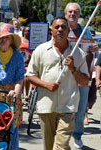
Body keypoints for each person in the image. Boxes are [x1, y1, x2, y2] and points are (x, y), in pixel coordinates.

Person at [26, 16, 89, 150]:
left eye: (63, 27)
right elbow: (30, 75)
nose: (60, 30)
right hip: (46, 105)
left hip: (68, 106)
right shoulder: (41, 50)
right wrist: (46, 85)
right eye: (57, 27)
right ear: (52, 31)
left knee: (61, 146)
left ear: (68, 31)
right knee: (49, 147)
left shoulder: (77, 53)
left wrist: (73, 69)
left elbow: (85, 81)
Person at [65, 3, 98, 148]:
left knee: (80, 107)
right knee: (63, 107)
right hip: (64, 75)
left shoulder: (86, 32)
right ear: (66, 13)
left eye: (75, 12)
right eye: (70, 11)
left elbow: (92, 49)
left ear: (79, 15)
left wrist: (94, 49)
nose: (72, 14)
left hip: (82, 75)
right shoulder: (60, 28)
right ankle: (62, 134)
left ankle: (77, 136)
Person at [19, 25, 31, 100]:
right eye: (27, 31)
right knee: (22, 78)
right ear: (24, 32)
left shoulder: (32, 40)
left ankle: (27, 94)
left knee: (27, 77)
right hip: (20, 61)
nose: (28, 32)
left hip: (29, 61)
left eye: (30, 31)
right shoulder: (20, 40)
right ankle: (21, 94)